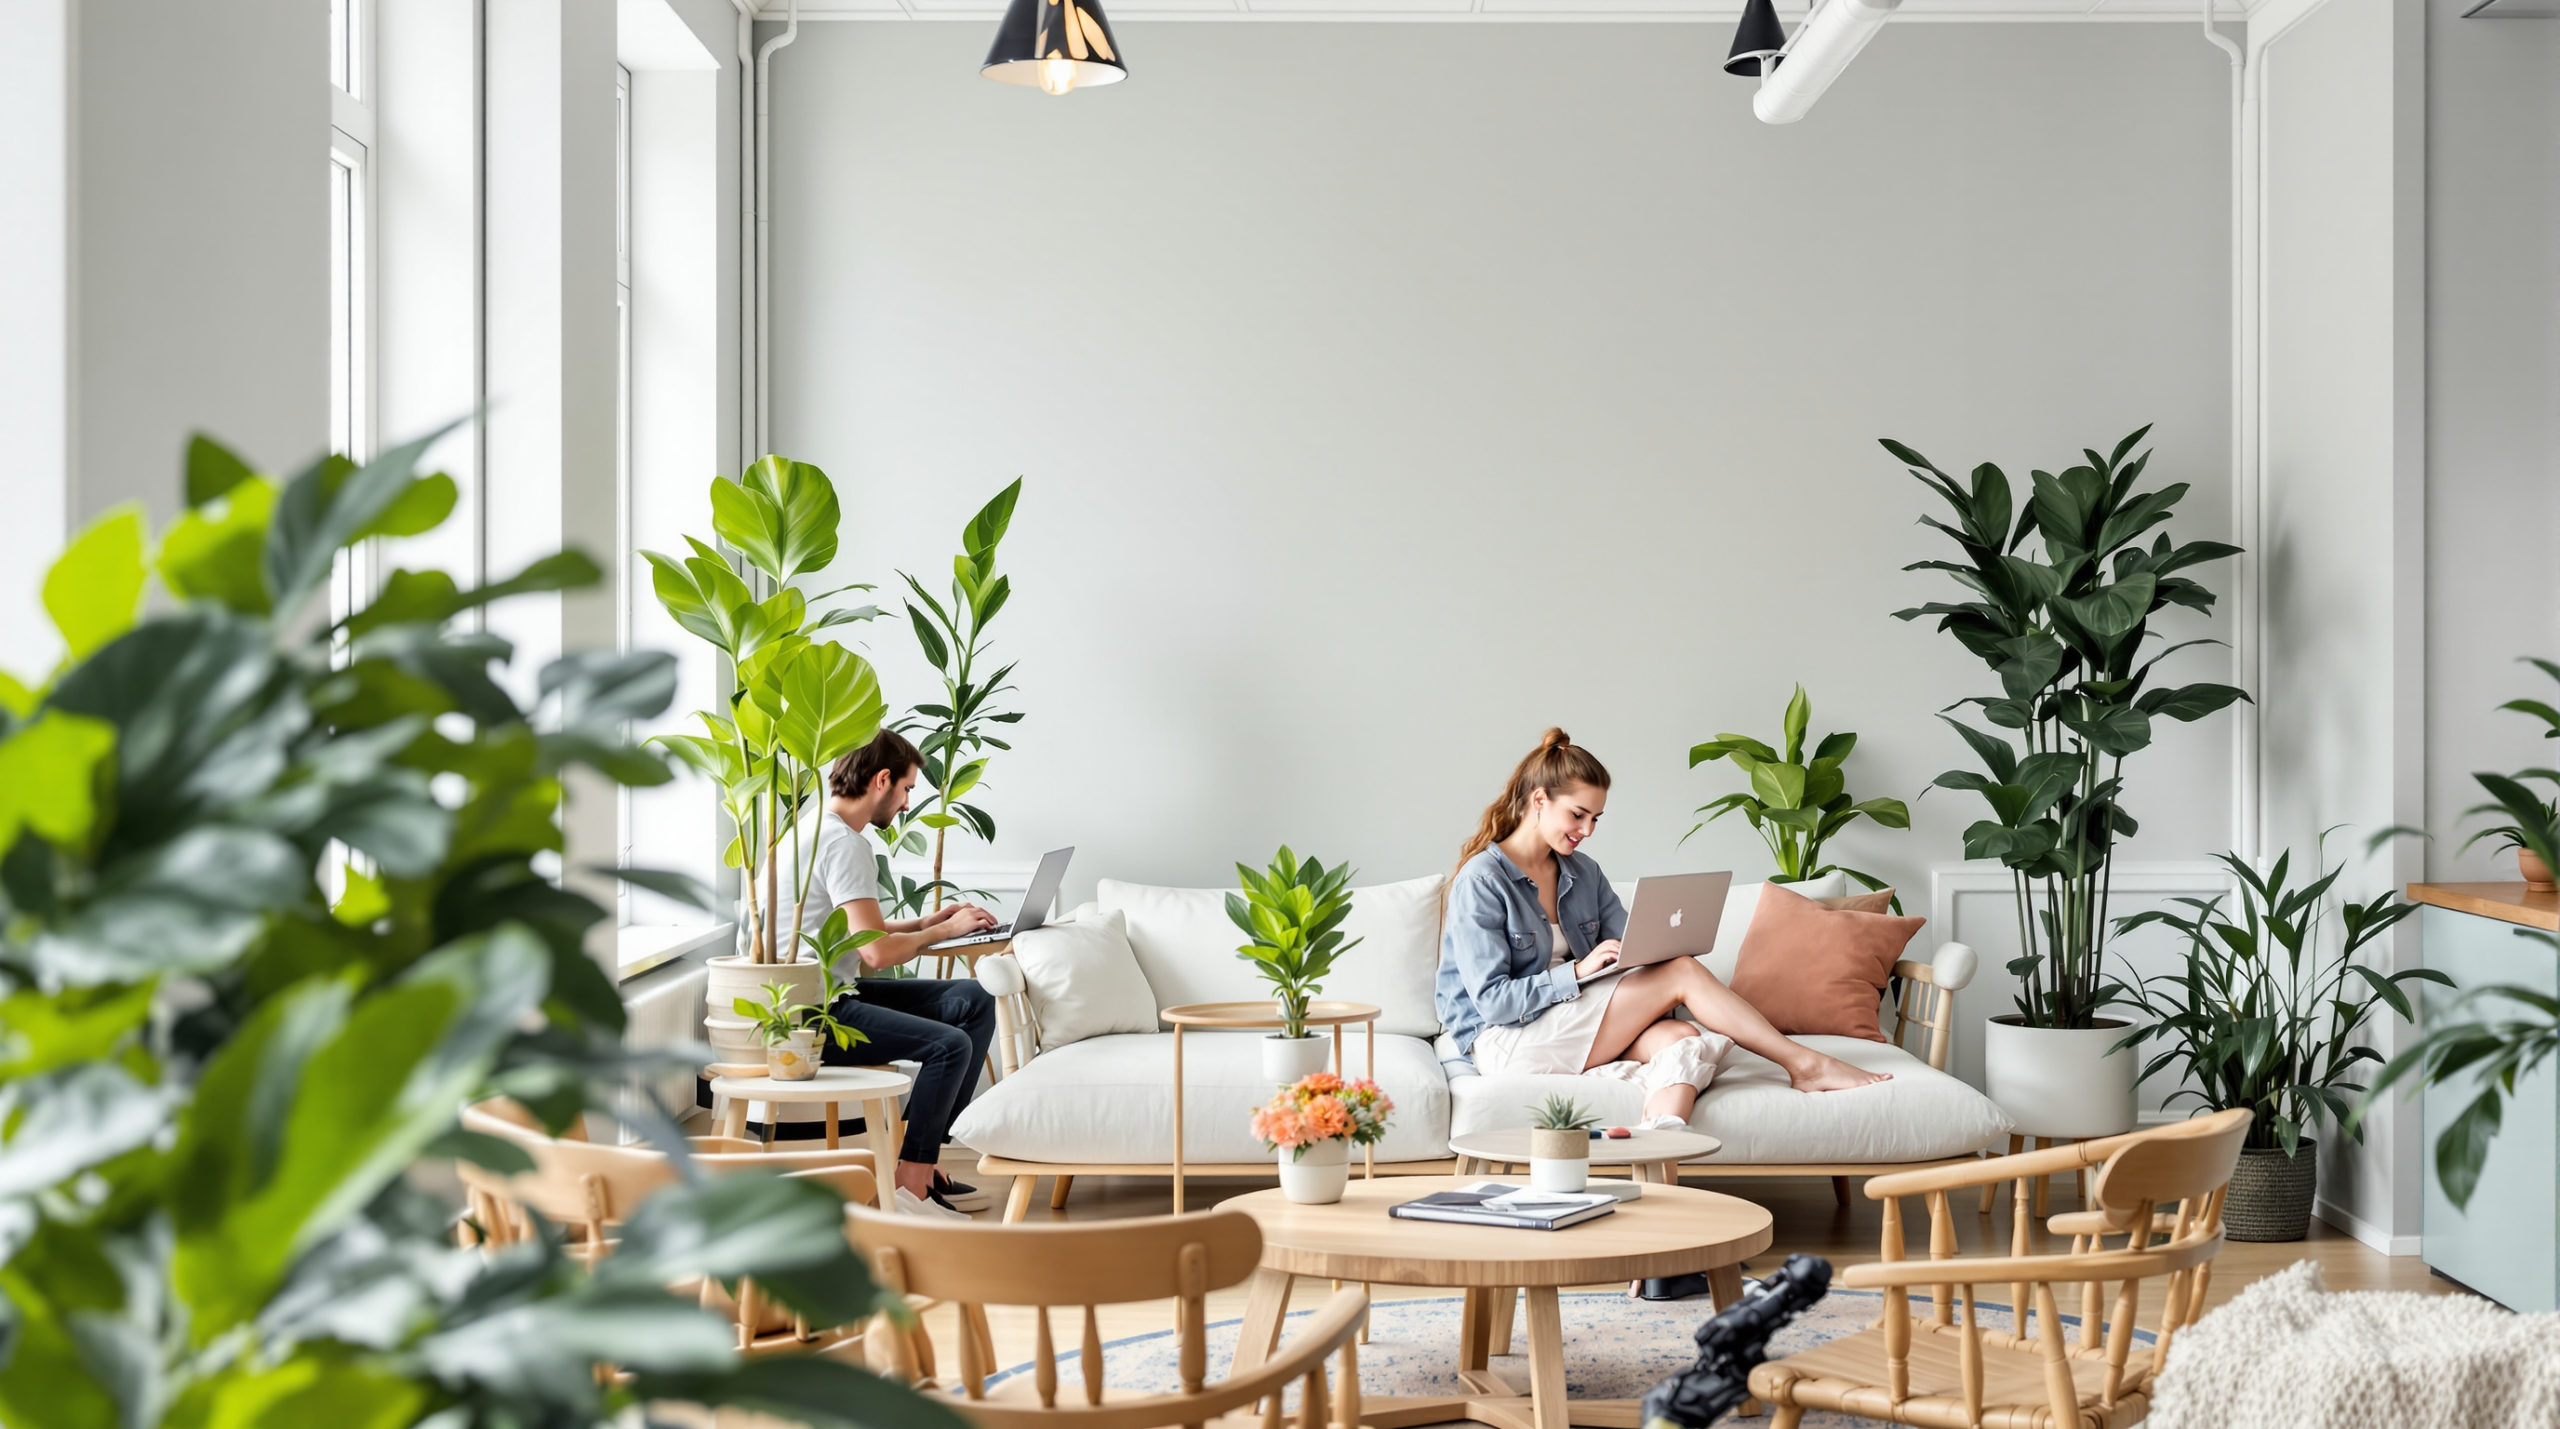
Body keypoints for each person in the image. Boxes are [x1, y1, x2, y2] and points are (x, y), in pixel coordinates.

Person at [1434, 729, 1888, 1131]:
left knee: (1682, 1039)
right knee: (1683, 973)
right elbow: (1494, 1003)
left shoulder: (1583, 873)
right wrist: (1576, 973)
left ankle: (1660, 1140)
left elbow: (1635, 947)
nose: (1587, 830)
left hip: (1568, 1023)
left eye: (1595, 819)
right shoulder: (1483, 880)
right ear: (1539, 800)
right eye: (1578, 815)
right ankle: (1804, 1063)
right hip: (1504, 1041)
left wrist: (1660, 944)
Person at [797, 728, 1006, 1219]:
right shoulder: (843, 843)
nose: (908, 803)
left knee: (975, 999)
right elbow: (876, 954)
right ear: (882, 780)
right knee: (947, 1044)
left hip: (827, 995)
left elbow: (857, 931)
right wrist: (943, 932)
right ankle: (911, 1184)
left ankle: (921, 1161)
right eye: (909, 789)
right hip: (810, 1020)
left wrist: (924, 923)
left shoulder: (817, 830)